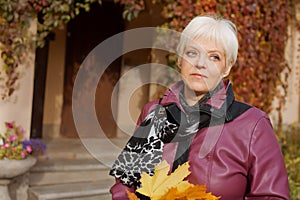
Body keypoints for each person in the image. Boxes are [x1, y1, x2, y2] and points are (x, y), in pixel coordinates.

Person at [109, 15, 290, 200]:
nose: (200, 63)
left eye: (214, 57)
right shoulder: (154, 113)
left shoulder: (252, 125)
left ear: (226, 68)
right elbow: (125, 183)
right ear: (180, 60)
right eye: (192, 53)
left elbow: (272, 196)